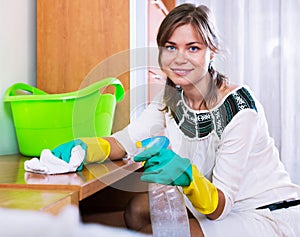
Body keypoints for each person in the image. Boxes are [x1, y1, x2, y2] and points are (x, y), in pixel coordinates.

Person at [54, 3, 300, 236]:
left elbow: (221, 207)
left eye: (193, 48)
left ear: (211, 53)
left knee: (154, 232)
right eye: (170, 47)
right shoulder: (171, 97)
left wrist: (187, 176)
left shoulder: (239, 109)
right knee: (136, 211)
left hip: (264, 211)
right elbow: (127, 141)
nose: (179, 59)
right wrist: (85, 148)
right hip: (216, 201)